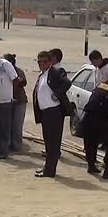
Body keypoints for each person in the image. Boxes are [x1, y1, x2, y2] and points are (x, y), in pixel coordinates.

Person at [32, 50, 71, 178]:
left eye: (44, 61)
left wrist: (57, 94)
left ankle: (50, 171)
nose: (41, 64)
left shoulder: (55, 72)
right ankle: (47, 167)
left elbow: (67, 82)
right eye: (39, 62)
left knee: (53, 144)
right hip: (45, 113)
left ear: (50, 62)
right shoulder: (42, 75)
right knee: (48, 143)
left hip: (54, 112)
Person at [80, 70, 108, 181]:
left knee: (90, 143)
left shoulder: (102, 85)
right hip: (102, 120)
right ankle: (107, 171)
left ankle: (91, 166)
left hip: (88, 117)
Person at [4, 53, 28, 153]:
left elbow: (23, 83)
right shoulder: (2, 72)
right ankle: (7, 145)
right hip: (6, 101)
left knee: (17, 125)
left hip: (20, 101)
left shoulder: (18, 71)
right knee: (7, 124)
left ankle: (16, 146)